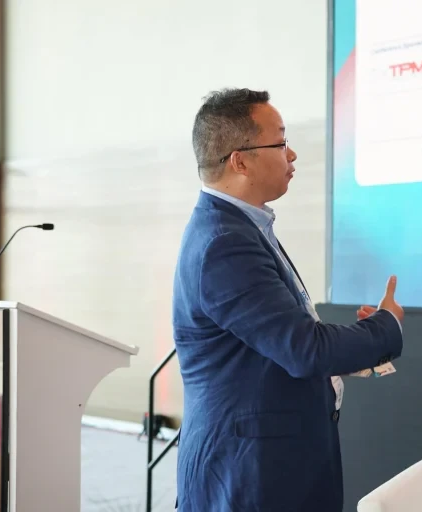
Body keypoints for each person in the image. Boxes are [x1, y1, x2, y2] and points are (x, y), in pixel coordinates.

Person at [172, 88, 404, 512]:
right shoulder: (225, 243)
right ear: (239, 160)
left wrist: (350, 352)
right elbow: (305, 349)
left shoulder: (239, 228)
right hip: (249, 474)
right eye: (279, 142)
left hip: (267, 463)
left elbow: (275, 345)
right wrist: (386, 325)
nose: (292, 153)